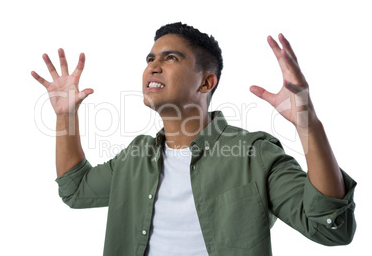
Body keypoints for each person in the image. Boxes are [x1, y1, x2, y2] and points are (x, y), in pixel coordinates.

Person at [31, 22, 356, 256]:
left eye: (170, 58)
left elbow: (330, 227)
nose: (153, 67)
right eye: (150, 59)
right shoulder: (134, 157)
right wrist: (65, 116)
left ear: (206, 83)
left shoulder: (254, 154)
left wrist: (308, 123)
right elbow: (75, 189)